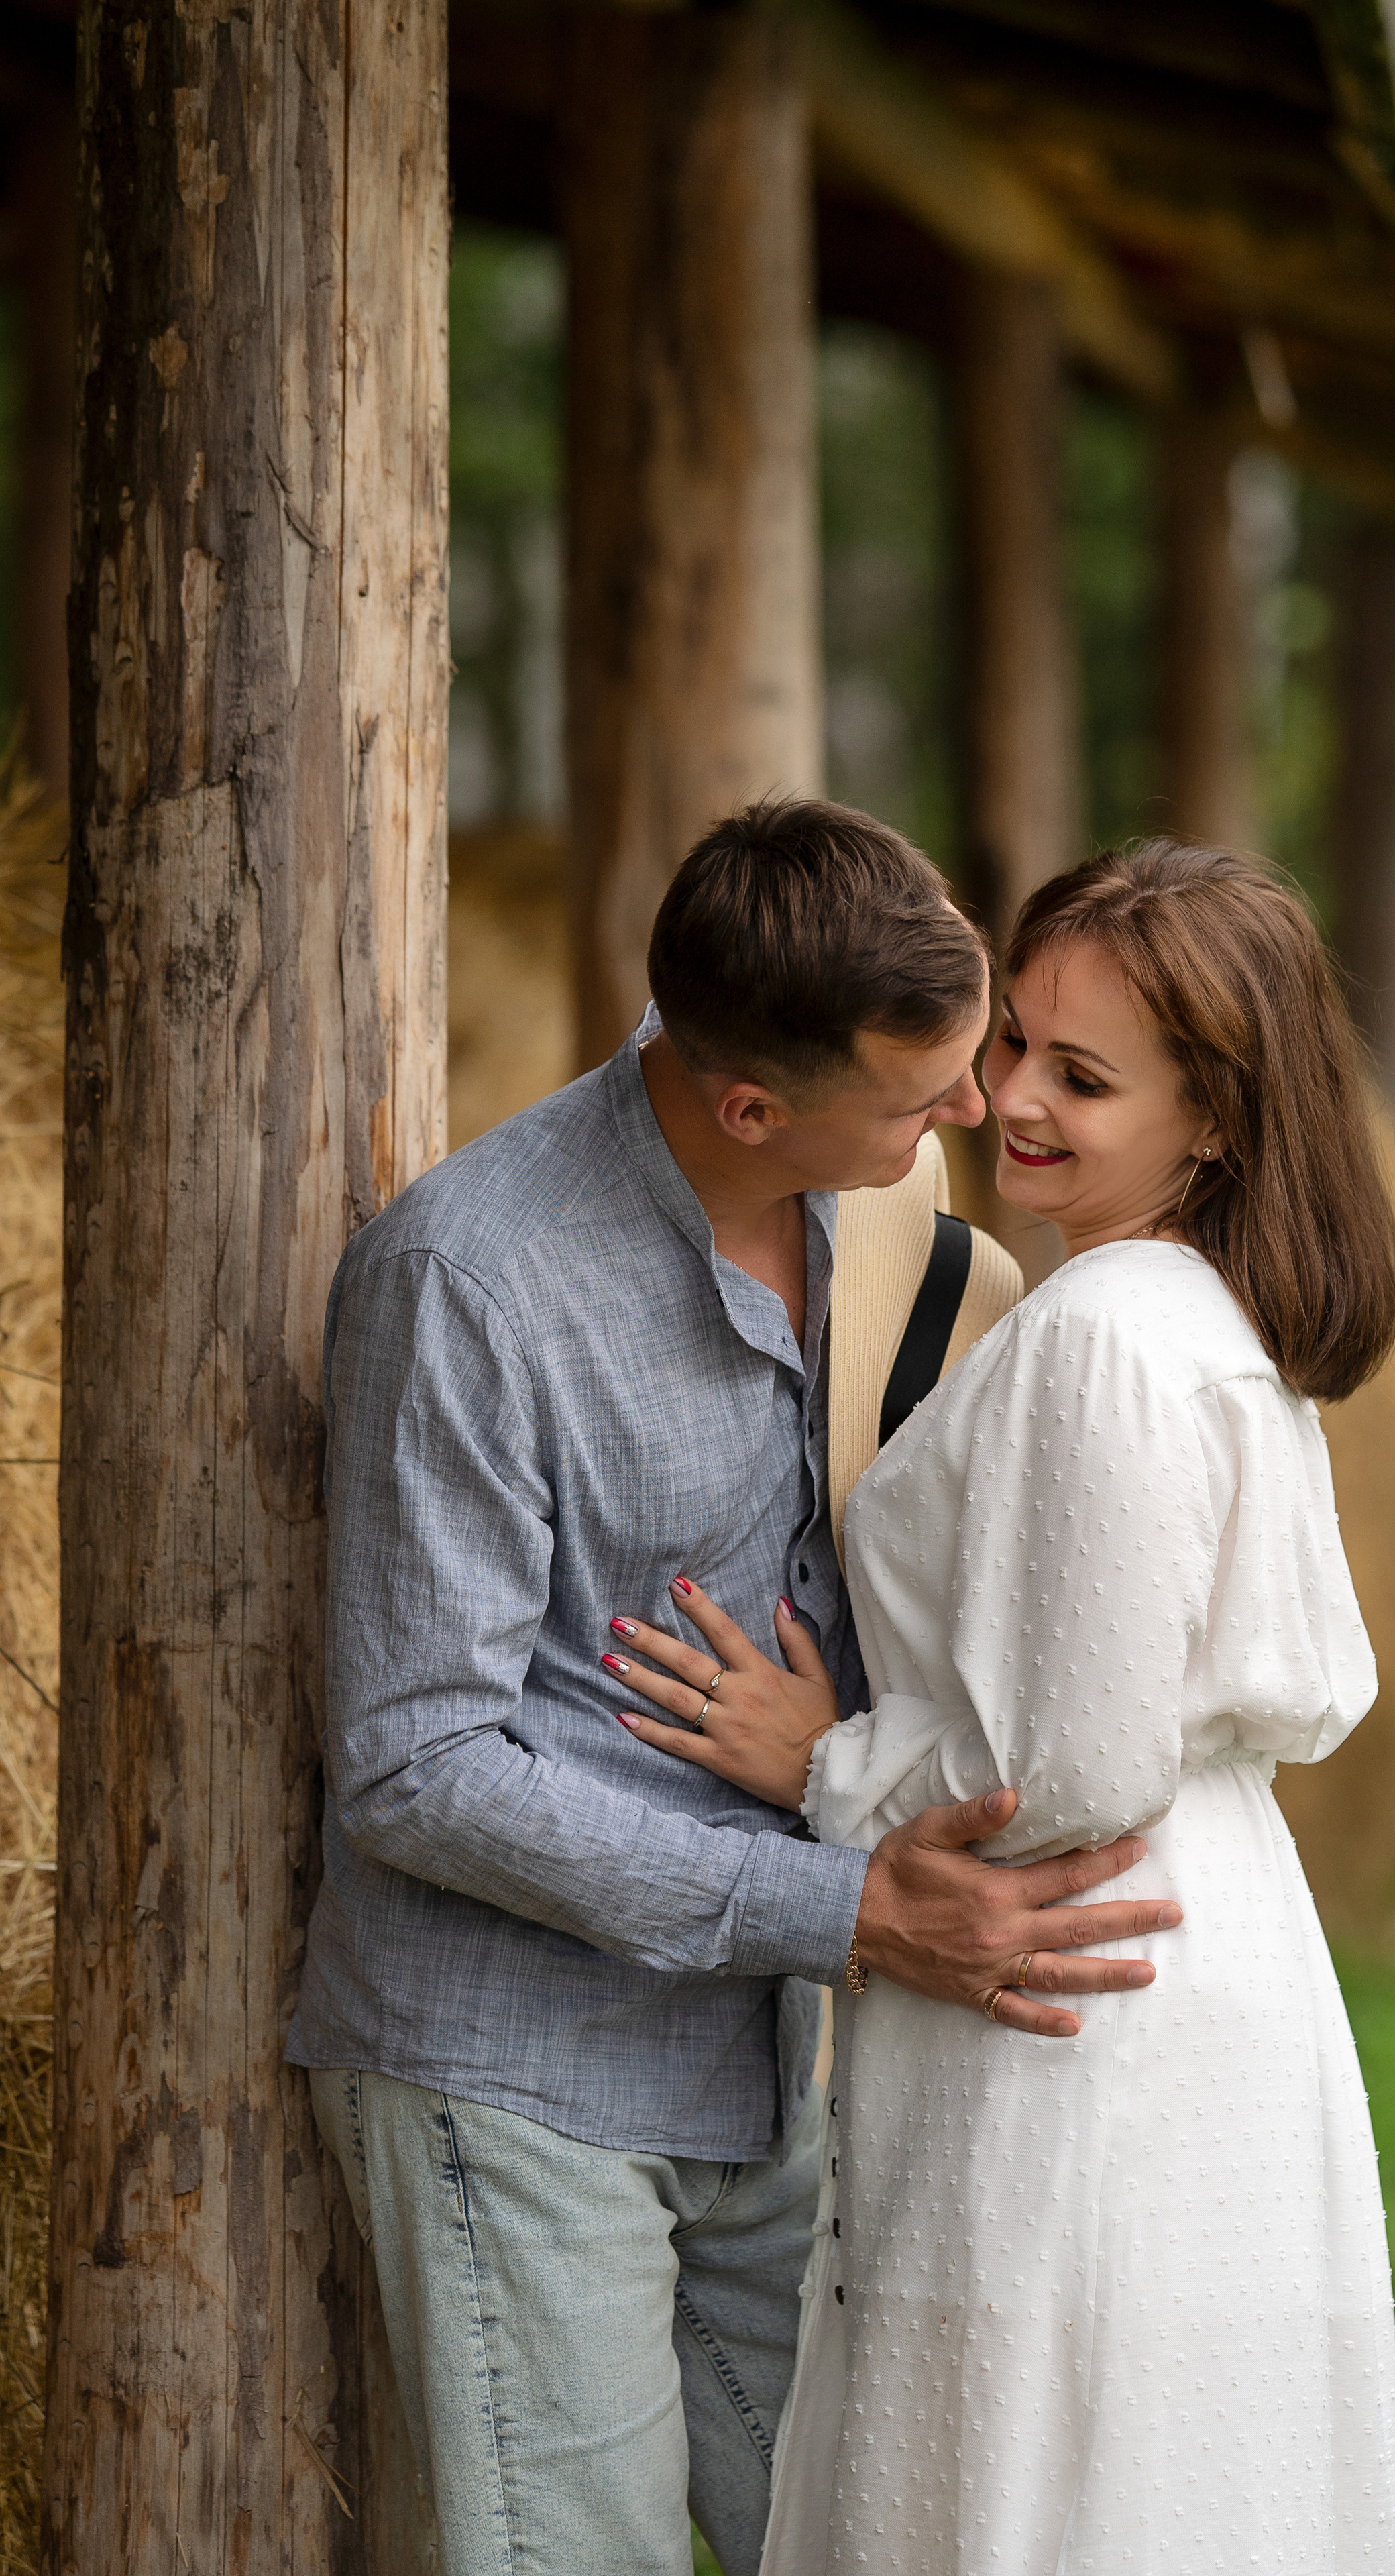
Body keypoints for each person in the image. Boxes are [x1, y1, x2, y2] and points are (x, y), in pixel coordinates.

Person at [288, 799, 1186, 2576]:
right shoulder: (469, 1285)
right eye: (921, 1092)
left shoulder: (897, 1224)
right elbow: (417, 1768)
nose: (972, 1115)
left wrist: (858, 1788)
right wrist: (847, 1903)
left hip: (772, 2058)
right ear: (751, 1104)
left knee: (881, 2536)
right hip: (521, 2072)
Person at [612, 837, 1395, 2576]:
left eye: (1082, 1074)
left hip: (1075, 1986)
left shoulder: (1108, 1338)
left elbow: (1071, 1766)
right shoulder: (1202, 1317)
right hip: (1194, 1953)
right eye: (1018, 1044)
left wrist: (822, 1761)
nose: (1008, 1098)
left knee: (1038, 2500)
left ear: (1216, 1117)